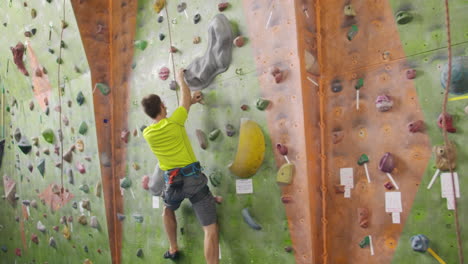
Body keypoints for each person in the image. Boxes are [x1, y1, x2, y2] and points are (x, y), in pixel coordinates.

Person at [141, 68, 221, 264]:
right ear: (162, 105)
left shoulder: (148, 133)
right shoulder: (174, 122)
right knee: (210, 229)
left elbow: (181, 109)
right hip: (193, 181)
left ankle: (173, 247)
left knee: (168, 210)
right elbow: (184, 100)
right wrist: (180, 78)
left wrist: (190, 102)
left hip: (173, 183)